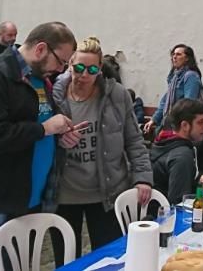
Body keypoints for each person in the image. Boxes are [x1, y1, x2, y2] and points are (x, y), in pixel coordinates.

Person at [0, 22, 78, 271]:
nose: (61, 69)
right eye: (61, 61)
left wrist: (60, 136)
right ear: (41, 49)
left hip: (29, 195)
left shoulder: (39, 79)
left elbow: (40, 124)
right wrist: (45, 129)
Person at [49, 37, 153, 264]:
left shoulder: (116, 95)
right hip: (64, 192)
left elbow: (134, 140)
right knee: (66, 262)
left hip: (106, 190)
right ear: (70, 65)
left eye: (92, 69)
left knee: (109, 258)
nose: (84, 74)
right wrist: (58, 140)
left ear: (99, 70)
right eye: (79, 67)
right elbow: (41, 137)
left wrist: (143, 178)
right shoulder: (54, 95)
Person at [150, 98, 203, 204]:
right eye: (200, 122)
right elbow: (179, 202)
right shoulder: (182, 156)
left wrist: (197, 179)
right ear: (185, 125)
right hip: (164, 216)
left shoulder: (166, 141)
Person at [144, 44, 203, 134]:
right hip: (172, 122)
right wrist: (154, 120)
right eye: (173, 54)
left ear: (187, 58)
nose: (174, 57)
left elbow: (188, 104)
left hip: (182, 125)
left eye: (178, 54)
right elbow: (165, 102)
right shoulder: (174, 78)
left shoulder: (190, 76)